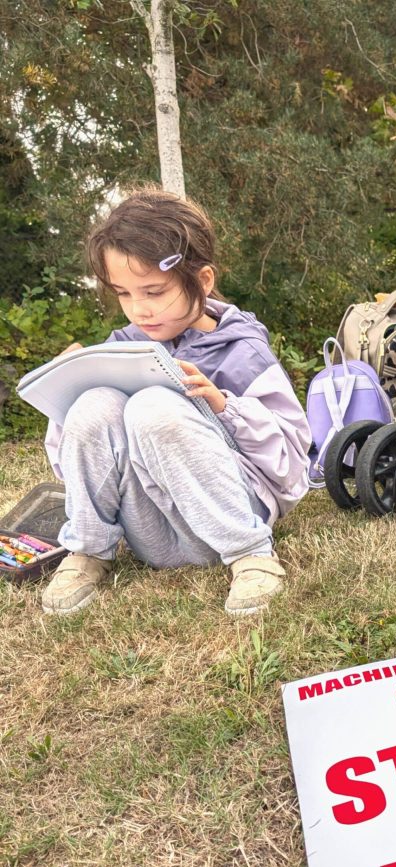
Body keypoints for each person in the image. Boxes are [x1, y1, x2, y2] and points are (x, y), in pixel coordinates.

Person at [40, 188, 312, 616]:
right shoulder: (122, 348)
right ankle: (88, 552)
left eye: (153, 291)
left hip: (227, 519)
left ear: (202, 280)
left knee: (154, 405)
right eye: (124, 294)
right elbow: (71, 464)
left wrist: (225, 407)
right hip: (150, 533)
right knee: (94, 402)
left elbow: (294, 466)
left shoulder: (242, 351)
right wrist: (66, 395)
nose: (139, 311)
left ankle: (252, 557)